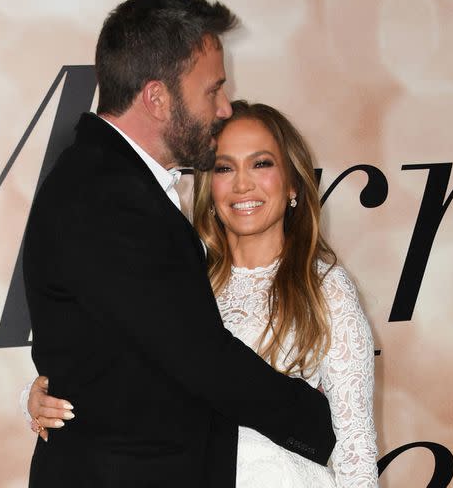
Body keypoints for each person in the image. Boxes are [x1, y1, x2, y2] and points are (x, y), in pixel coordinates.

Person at [21, 0, 335, 488]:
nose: (225, 108)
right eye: (212, 90)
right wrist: (316, 419)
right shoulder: (111, 196)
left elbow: (119, 346)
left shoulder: (106, 179)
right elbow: (199, 357)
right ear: (157, 98)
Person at [26, 101, 379, 487]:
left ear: (293, 182)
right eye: (225, 168)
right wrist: (38, 392)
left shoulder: (325, 287)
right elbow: (118, 374)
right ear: (209, 185)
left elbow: (354, 445)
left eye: (261, 163)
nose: (242, 184)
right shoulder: (181, 276)